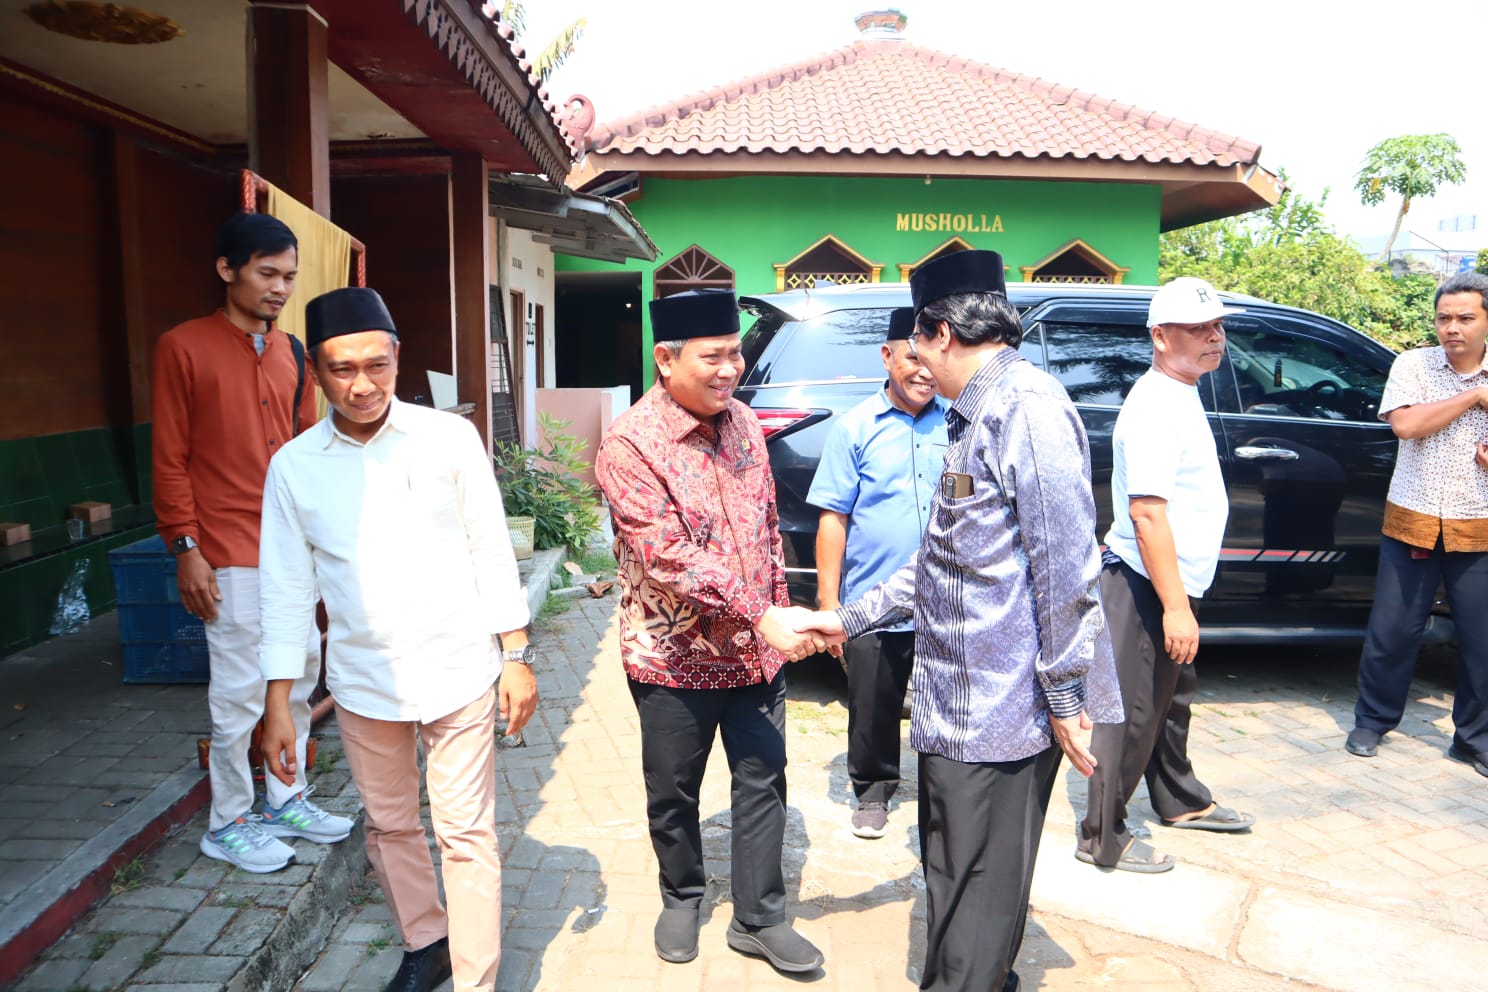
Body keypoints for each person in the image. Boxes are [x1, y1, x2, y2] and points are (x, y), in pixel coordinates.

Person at [799, 251, 1122, 992]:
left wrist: (1068, 695)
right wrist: (840, 620)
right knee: (949, 867)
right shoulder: (970, 415)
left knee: (980, 886)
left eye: (918, 347)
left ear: (940, 332)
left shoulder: (1028, 411)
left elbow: (1068, 566)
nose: (917, 364)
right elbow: (938, 563)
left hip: (1004, 713)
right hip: (953, 706)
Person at [257, 287, 538, 992]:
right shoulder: (294, 466)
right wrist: (278, 706)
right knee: (389, 828)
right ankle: (426, 941)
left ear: (397, 359)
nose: (362, 385)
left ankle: (477, 979)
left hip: (460, 669)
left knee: (466, 835)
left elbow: (488, 547)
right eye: (342, 369)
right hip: (363, 684)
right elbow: (287, 591)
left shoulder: (448, 438)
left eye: (376, 366)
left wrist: (514, 656)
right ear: (316, 374)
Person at [594, 289, 826, 975]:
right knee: (675, 786)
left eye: (735, 354)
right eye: (713, 357)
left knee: (764, 779)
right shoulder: (629, 445)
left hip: (756, 656)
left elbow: (763, 531)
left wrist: (782, 615)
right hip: (671, 658)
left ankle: (759, 917)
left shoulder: (747, 424)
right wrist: (761, 615)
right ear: (665, 360)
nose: (730, 369)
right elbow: (666, 556)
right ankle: (683, 893)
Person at [151, 212, 353, 874]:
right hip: (226, 548)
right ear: (227, 269)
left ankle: (286, 799)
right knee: (239, 693)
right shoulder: (182, 346)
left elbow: (308, 453)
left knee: (296, 679)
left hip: (292, 548)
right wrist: (186, 548)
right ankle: (229, 820)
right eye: (267, 273)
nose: (279, 288)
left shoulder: (295, 352)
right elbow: (170, 455)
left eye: (289, 276)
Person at [1076, 277, 1256, 876]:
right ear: (1160, 336)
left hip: (1172, 579)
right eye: (1198, 329)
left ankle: (1178, 798)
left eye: (1217, 327)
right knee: (1126, 712)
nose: (1214, 339)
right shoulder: (1153, 406)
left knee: (1170, 699)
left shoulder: (1181, 390)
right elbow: (1147, 512)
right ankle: (1102, 834)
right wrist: (1175, 608)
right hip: (1141, 581)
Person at [806, 306, 947, 839]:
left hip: (944, 601)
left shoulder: (957, 423)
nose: (924, 370)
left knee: (944, 704)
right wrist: (829, 603)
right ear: (888, 356)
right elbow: (833, 518)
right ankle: (872, 789)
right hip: (871, 601)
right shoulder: (855, 428)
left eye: (932, 357)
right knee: (873, 704)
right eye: (912, 356)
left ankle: (943, 795)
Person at [1346, 271, 1488, 777]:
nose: (1453, 328)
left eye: (1466, 318)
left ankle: (1473, 738)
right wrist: (1473, 397)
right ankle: (1372, 721)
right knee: (1393, 631)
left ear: (1486, 321)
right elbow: (1406, 425)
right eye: (1444, 317)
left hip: (1479, 525)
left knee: (1480, 639)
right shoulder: (1414, 365)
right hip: (1413, 518)